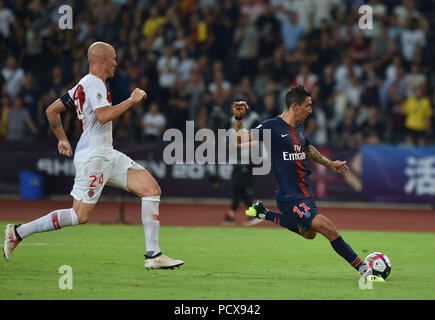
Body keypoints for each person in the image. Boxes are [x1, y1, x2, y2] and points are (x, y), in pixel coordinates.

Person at [3, 42, 183, 270]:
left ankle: (154, 254)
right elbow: (103, 116)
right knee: (80, 215)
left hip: (106, 152)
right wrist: (131, 100)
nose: (117, 63)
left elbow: (51, 110)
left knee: (151, 189)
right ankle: (18, 232)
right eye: (114, 58)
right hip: (95, 156)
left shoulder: (83, 84)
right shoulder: (94, 83)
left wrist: (61, 138)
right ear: (104, 60)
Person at [233, 85, 378, 279]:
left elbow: (307, 148)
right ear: (295, 106)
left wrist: (330, 163)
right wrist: (238, 118)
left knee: (309, 233)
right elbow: (240, 140)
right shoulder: (272, 127)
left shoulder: (299, 127)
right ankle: (364, 269)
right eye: (307, 106)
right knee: (327, 227)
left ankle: (263, 213)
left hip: (304, 192)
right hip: (288, 196)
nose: (310, 110)